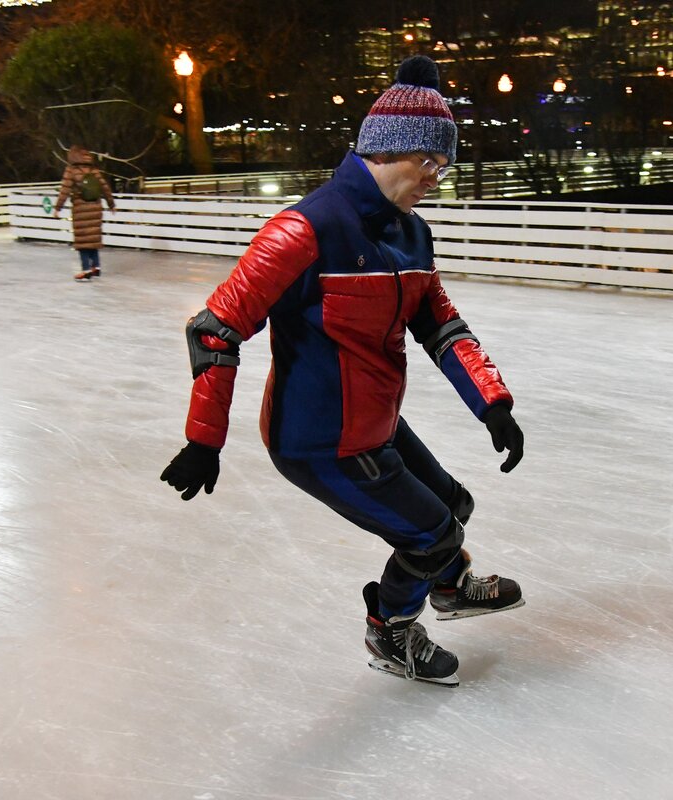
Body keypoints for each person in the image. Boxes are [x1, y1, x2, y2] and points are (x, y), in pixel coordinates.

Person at [160, 55, 526, 687]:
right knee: (431, 536)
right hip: (318, 438)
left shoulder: (411, 235)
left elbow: (442, 326)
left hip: (376, 419)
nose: (437, 178)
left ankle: (448, 586)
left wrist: (491, 401)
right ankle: (390, 629)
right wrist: (203, 440)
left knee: (452, 506)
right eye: (429, 163)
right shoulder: (303, 230)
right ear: (388, 150)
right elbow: (216, 328)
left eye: (445, 166)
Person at [52, 145, 116, 281]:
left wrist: (58, 208)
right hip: (96, 207)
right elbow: (105, 187)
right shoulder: (94, 170)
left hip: (81, 209)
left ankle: (86, 270)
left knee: (82, 242)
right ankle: (96, 267)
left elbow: (65, 190)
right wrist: (111, 204)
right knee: (93, 239)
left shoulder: (71, 170)